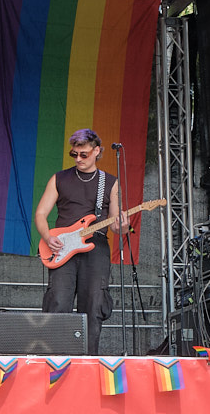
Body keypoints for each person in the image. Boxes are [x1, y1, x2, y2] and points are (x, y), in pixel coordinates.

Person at [34, 128, 128, 356]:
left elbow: (116, 226)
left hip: (95, 249)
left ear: (97, 151)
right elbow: (40, 214)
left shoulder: (110, 182)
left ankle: (89, 360)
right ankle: (55, 360)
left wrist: (123, 225)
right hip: (62, 248)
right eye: (74, 154)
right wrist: (48, 237)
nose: (78, 159)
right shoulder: (59, 179)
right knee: (58, 302)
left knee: (94, 305)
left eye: (83, 154)